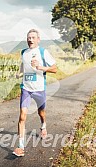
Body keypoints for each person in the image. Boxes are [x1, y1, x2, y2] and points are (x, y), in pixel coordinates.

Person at [13, 29, 57, 157]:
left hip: (39, 89)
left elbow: (54, 68)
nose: (30, 39)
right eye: (28, 37)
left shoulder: (43, 52)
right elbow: (23, 65)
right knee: (22, 116)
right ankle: (20, 147)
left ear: (38, 39)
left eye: (33, 37)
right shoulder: (24, 52)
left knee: (41, 113)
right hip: (26, 88)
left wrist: (41, 67)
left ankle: (43, 125)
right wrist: (19, 73)